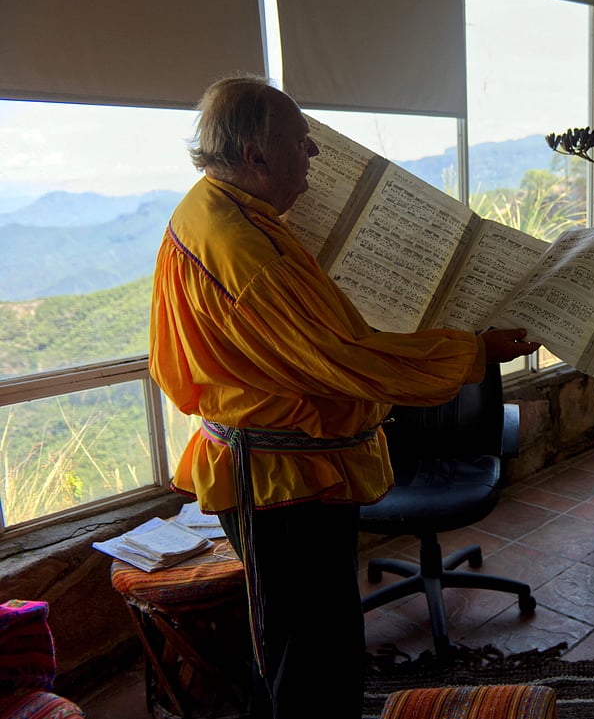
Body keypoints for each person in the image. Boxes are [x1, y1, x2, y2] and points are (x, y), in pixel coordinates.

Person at [148, 74, 540, 719]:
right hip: (283, 482)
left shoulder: (210, 208)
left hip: (276, 467)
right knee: (316, 653)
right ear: (255, 155)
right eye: (301, 143)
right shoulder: (249, 252)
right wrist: (475, 352)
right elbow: (345, 360)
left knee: (294, 639)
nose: (315, 155)